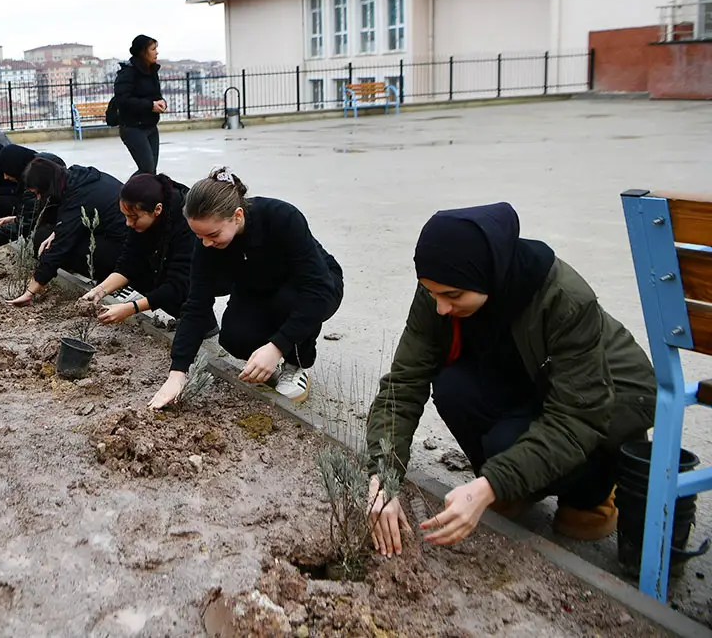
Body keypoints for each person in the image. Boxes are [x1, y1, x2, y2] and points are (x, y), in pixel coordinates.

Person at [364, 203, 657, 557]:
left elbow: (577, 417)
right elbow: (403, 386)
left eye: (453, 297)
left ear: (489, 274)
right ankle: (515, 488)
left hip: (608, 401)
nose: (441, 307)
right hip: (533, 382)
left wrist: (489, 485)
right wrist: (383, 479)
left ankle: (594, 495)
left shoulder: (563, 299)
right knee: (453, 388)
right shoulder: (440, 286)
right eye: (431, 293)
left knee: (520, 454)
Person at [150, 167, 343, 410]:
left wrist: (276, 347)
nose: (206, 243)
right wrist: (177, 372)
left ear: (237, 216)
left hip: (314, 285)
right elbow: (196, 305)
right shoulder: (206, 244)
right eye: (199, 236)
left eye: (213, 234)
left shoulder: (281, 217)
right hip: (258, 284)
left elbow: (318, 289)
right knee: (234, 337)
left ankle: (294, 363)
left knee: (286, 303)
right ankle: (272, 351)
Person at [6, 157, 130, 306]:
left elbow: (60, 247)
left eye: (39, 192)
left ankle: (116, 280)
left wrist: (30, 291)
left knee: (57, 248)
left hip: (126, 250)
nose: (39, 198)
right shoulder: (77, 178)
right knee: (48, 236)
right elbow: (72, 222)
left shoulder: (77, 196)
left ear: (48, 186)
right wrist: (57, 232)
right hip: (118, 236)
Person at [81, 172, 197, 327]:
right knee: (141, 270)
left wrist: (130, 308)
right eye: (126, 216)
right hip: (175, 272)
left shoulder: (186, 222)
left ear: (157, 209)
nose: (128, 223)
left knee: (169, 279)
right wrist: (99, 291)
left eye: (134, 218)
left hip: (208, 274)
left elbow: (179, 282)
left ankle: (198, 320)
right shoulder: (143, 218)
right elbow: (128, 262)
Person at [0, 144, 64, 253]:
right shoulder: (38, 163)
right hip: (60, 218)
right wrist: (15, 218)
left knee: (39, 238)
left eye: (7, 172)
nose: (5, 177)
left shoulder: (34, 181)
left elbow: (26, 224)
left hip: (64, 225)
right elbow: (33, 213)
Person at [113, 34, 165, 175]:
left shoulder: (152, 70)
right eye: (153, 49)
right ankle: (123, 195)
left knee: (151, 172)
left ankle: (140, 196)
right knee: (146, 169)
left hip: (151, 126)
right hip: (132, 128)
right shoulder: (127, 73)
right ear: (143, 52)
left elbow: (155, 94)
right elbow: (123, 100)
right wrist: (150, 105)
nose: (156, 52)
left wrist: (161, 102)